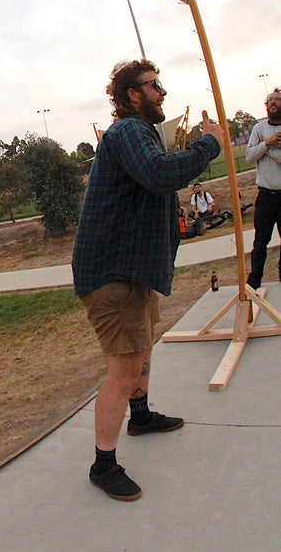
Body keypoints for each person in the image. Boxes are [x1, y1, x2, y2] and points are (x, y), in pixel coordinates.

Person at [71, 60, 224, 502]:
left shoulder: (140, 135)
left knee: (143, 347)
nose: (163, 92)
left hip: (133, 271)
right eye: (155, 86)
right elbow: (160, 176)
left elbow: (156, 176)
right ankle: (103, 464)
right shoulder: (127, 133)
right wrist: (208, 144)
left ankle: (140, 416)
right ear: (132, 94)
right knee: (123, 367)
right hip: (112, 274)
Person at [245, 87, 281, 289]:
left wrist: (268, 151)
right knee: (260, 242)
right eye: (270, 100)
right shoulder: (259, 129)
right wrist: (267, 144)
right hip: (266, 196)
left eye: (277, 99)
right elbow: (250, 156)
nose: (273, 102)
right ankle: (254, 281)